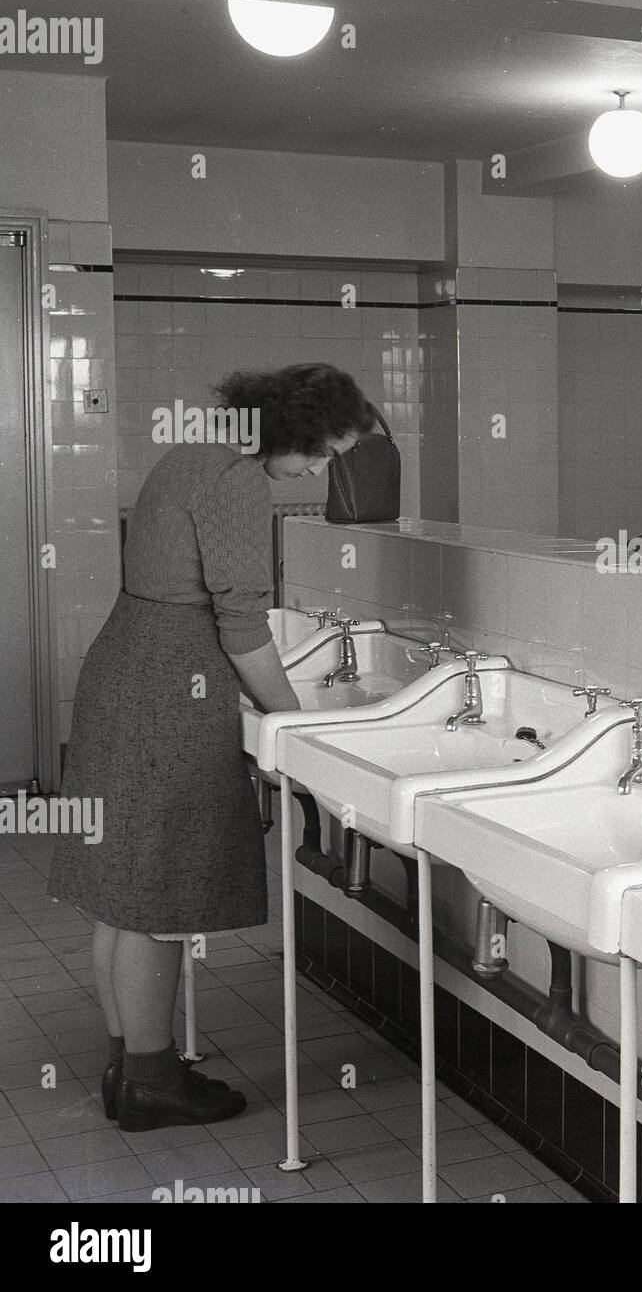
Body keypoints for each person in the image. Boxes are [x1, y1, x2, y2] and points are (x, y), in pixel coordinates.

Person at [47, 363, 370, 1132]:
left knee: (125, 893)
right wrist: (292, 720)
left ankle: (134, 1065)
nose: (318, 472)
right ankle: (154, 1085)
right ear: (290, 430)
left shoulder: (193, 450)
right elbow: (243, 627)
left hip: (127, 665)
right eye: (320, 454)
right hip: (169, 687)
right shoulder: (238, 481)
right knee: (161, 892)